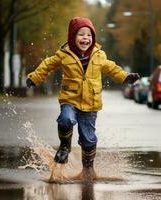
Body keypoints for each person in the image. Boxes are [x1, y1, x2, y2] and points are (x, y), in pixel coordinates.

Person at [26, 17, 139, 180]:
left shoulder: (99, 56)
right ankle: (64, 146)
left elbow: (112, 68)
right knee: (65, 119)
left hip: (90, 103)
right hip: (70, 99)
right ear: (72, 37)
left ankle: (88, 170)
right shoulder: (63, 55)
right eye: (81, 34)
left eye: (89, 35)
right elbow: (47, 65)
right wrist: (35, 78)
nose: (85, 38)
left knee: (88, 139)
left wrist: (125, 77)